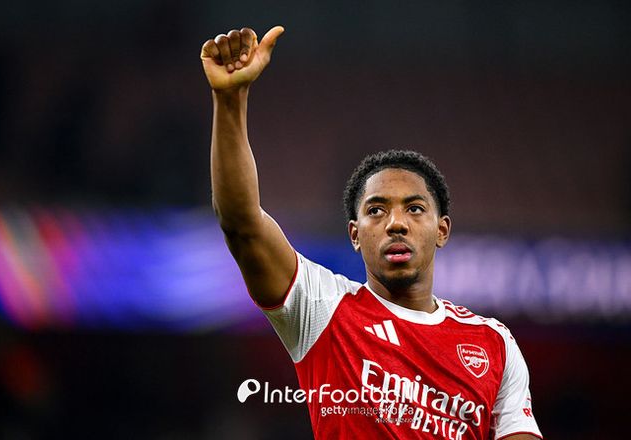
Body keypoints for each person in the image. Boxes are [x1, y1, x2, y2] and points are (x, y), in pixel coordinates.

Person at [200, 26, 543, 440]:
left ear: (442, 230)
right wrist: (230, 99)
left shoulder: (493, 343)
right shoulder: (322, 309)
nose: (396, 223)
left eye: (414, 209)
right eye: (376, 210)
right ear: (355, 234)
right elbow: (242, 224)